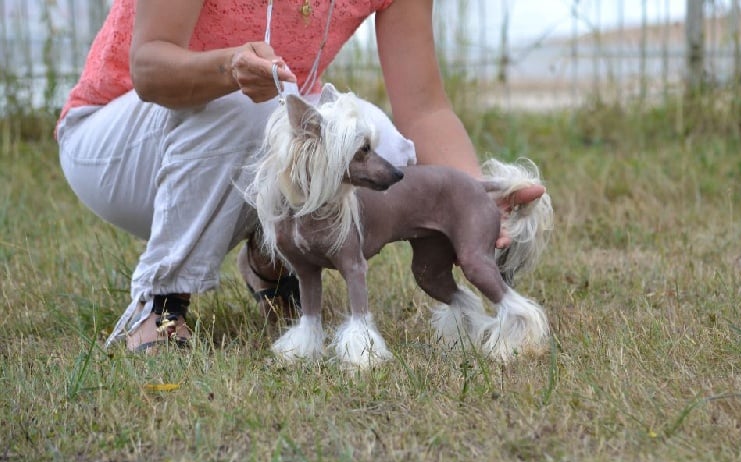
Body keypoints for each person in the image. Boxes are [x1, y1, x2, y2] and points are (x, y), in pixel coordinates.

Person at [57, 0, 546, 353]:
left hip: (245, 127)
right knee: (250, 112)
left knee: (377, 137)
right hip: (117, 143)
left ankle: (274, 254)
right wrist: (229, 66)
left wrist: (467, 205)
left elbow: (424, 109)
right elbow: (148, 66)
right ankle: (158, 304)